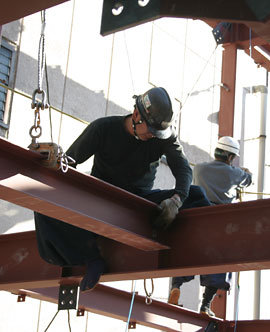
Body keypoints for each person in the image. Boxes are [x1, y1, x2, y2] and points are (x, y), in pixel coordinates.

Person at [34, 87, 211, 293]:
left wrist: (177, 200)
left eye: (157, 133)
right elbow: (69, 164)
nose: (154, 137)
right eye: (151, 131)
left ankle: (206, 267)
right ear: (137, 114)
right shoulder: (103, 129)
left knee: (196, 195)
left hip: (139, 204)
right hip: (100, 200)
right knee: (43, 204)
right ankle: (91, 258)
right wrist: (52, 167)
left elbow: (183, 169)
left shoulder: (164, 138)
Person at [168, 136, 252, 316]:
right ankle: (205, 305)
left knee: (187, 255)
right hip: (219, 222)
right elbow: (248, 179)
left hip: (198, 219)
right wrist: (245, 172)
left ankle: (176, 286)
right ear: (230, 157)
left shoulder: (199, 168)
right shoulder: (233, 173)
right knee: (220, 263)